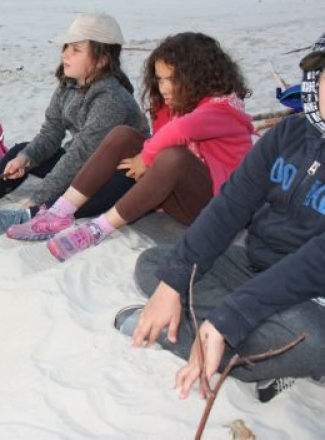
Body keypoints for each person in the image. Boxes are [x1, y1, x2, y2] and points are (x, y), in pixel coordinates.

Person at [114, 32, 325, 403]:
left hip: (312, 295)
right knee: (157, 265)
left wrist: (229, 317)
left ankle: (185, 337)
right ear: (314, 81)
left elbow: (315, 263)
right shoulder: (288, 134)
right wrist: (174, 282)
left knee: (316, 339)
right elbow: (230, 207)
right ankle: (258, 353)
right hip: (253, 266)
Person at [4, 32, 255, 262]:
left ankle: (97, 229)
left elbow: (178, 133)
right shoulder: (184, 104)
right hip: (183, 203)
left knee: (173, 157)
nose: (163, 88)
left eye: (171, 80)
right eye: (159, 80)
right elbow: (164, 134)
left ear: (197, 77)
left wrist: (145, 158)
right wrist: (160, 116)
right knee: (123, 135)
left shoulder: (223, 110)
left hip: (218, 212)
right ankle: (59, 213)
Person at [0, 12, 147, 235]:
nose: (65, 54)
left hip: (118, 172)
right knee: (22, 150)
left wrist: (36, 199)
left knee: (96, 189)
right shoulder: (68, 85)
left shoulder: (111, 99)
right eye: (66, 47)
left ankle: (37, 215)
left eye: (76, 49)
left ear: (102, 60)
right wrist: (26, 159)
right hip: (82, 160)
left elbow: (80, 155)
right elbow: (51, 132)